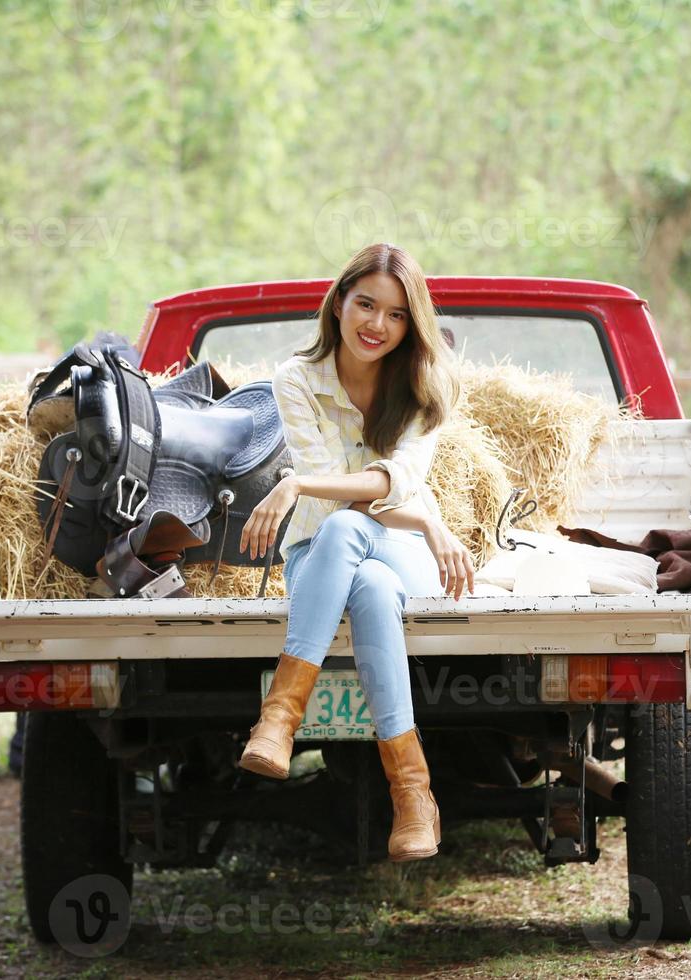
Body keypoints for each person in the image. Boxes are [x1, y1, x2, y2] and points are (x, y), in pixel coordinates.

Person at [237, 242, 475, 861]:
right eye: (365, 304)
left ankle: (279, 720)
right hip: (321, 557)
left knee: (349, 532)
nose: (377, 325)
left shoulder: (427, 386)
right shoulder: (295, 380)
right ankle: (413, 794)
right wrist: (421, 515)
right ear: (338, 301)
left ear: (412, 323)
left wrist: (298, 483)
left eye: (396, 315)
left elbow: (391, 482)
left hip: (408, 554)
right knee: (360, 575)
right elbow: (341, 506)